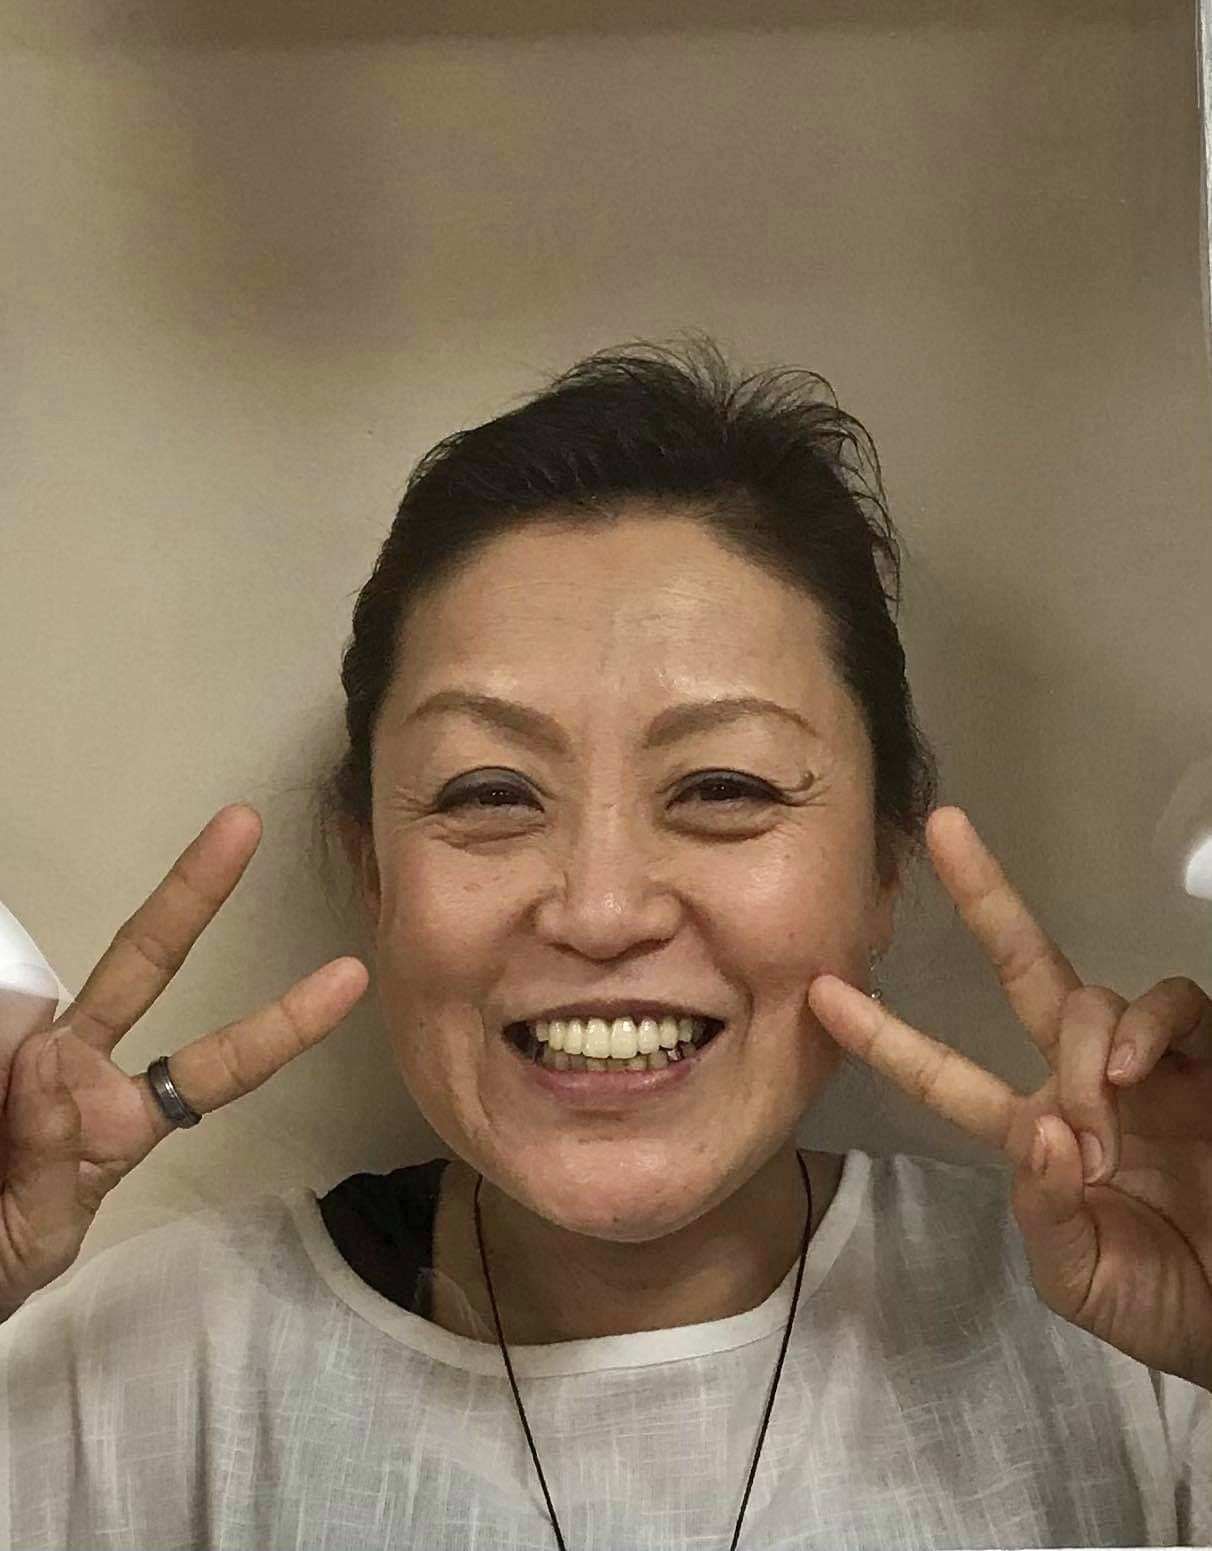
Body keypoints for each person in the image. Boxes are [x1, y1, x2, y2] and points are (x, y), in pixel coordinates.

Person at [1, 339, 1208, 1551]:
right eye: (489, 793)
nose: (601, 909)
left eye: (724, 786)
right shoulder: (148, 1379)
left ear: (886, 866)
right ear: (374, 873)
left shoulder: (1129, 1331)